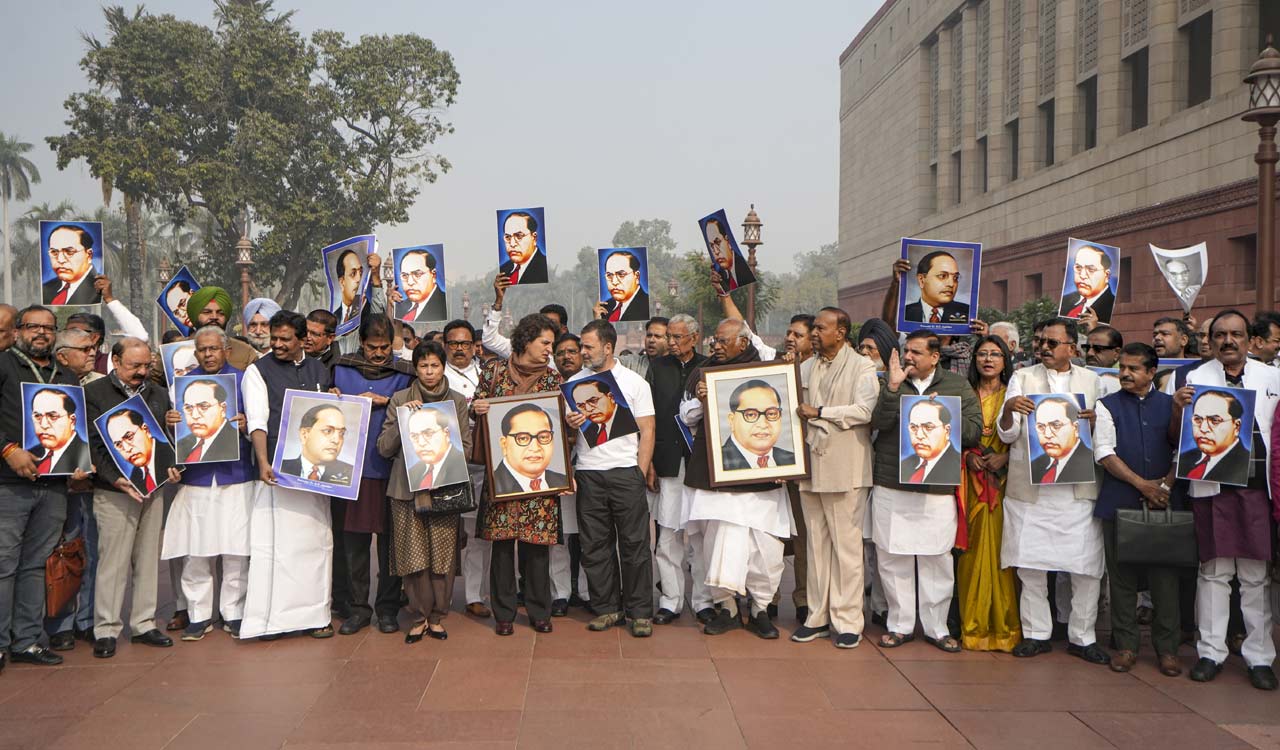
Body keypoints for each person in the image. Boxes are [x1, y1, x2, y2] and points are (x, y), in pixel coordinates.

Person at [1170, 310, 1280, 689]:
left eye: (1236, 334)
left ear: (1250, 340)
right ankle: (1210, 652)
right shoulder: (1192, 378)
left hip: (1256, 488)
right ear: (1210, 340)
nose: (1228, 341)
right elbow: (1175, 437)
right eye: (1220, 335)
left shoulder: (1273, 376)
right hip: (1212, 486)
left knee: (1254, 576)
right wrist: (1178, 407)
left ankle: (1259, 657)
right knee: (1214, 574)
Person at [998, 318, 1107, 664]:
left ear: (1072, 349)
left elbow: (1105, 432)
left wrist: (1093, 423)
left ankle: (1083, 635)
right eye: (1040, 341)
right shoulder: (1023, 377)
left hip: (1077, 489)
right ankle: (1036, 633)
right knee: (1030, 565)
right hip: (1032, 490)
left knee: (1085, 565)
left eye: (1052, 343)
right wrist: (1008, 410)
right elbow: (1007, 435)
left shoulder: (1093, 381)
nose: (1043, 348)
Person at [680, 319, 792, 639]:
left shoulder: (767, 368)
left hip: (762, 480)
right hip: (720, 476)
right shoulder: (702, 374)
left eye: (722, 340)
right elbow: (687, 416)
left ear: (742, 344)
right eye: (714, 340)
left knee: (766, 549)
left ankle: (759, 609)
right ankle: (727, 609)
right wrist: (703, 397)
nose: (714, 345)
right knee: (719, 544)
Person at [870, 330, 980, 652]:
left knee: (937, 557)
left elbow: (974, 432)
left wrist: (945, 413)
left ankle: (936, 627)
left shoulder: (957, 386)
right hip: (893, 482)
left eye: (916, 352)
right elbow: (878, 423)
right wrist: (892, 389)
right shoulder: (888, 381)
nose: (908, 357)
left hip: (937, 486)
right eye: (907, 351)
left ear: (935, 357)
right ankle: (900, 624)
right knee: (893, 556)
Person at [240, 310, 336, 640]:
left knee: (317, 543)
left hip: (314, 474)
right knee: (277, 547)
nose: (277, 345)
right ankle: (272, 621)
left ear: (301, 340)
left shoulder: (318, 368)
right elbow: (257, 420)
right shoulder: (257, 371)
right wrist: (263, 462)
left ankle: (317, 615)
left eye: (285, 339)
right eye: (274, 339)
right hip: (277, 472)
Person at [789, 307, 878, 649]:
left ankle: (848, 621)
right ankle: (817, 617)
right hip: (811, 467)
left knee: (847, 548)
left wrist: (822, 412)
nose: (814, 333)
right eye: (813, 328)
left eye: (821, 328)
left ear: (840, 332)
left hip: (847, 467)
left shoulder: (862, 366)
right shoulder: (805, 367)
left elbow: (864, 411)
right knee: (816, 545)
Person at [1092, 342, 1182, 676]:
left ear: (1151, 372)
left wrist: (1166, 487)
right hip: (1121, 502)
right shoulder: (1107, 405)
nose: (1125, 374)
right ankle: (1127, 646)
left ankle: (1168, 651)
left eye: (1133, 369)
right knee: (1122, 580)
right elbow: (1104, 452)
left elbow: (1183, 450)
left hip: (1165, 504)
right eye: (1122, 368)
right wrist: (1143, 485)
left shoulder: (1172, 406)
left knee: (1165, 581)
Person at [160, 326, 255, 641]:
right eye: (202, 349)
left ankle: (234, 612)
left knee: (237, 549)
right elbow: (171, 437)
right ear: (195, 352)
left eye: (214, 348)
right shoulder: (180, 386)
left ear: (226, 349)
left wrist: (246, 424)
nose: (208, 354)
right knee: (196, 549)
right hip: (196, 477)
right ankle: (199, 615)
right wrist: (169, 422)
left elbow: (261, 425)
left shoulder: (244, 380)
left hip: (236, 473)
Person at [472, 314, 564, 635]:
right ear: (526, 340)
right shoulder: (493, 371)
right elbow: (475, 406)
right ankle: (504, 614)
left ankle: (540, 611)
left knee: (537, 547)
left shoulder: (554, 380)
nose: (549, 350)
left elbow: (559, 425)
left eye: (551, 344)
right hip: (503, 476)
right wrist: (479, 407)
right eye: (545, 343)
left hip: (539, 476)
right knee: (501, 547)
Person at [84, 337, 175, 658]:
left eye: (146, 365)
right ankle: (106, 629)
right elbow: (92, 444)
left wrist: (171, 467)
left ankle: (144, 623)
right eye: (134, 366)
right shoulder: (94, 394)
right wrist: (115, 479)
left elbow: (164, 442)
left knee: (149, 557)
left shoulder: (159, 394)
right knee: (113, 561)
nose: (141, 372)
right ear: (116, 363)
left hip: (153, 488)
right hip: (114, 490)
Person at [0, 305, 80, 670]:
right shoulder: (4, 364)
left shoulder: (65, 374)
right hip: (9, 482)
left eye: (49, 327)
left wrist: (79, 463)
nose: (42, 333)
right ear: (18, 330)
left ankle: (27, 640)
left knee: (35, 564)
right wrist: (8, 449)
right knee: (4, 564)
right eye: (33, 326)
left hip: (54, 484)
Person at [565, 320, 657, 637]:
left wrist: (638, 472)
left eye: (588, 346)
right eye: (581, 346)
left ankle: (640, 612)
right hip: (589, 472)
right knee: (594, 546)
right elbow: (565, 433)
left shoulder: (634, 383)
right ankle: (607, 608)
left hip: (625, 473)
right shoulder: (574, 384)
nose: (583, 352)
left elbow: (648, 430)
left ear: (608, 347)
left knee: (634, 545)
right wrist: (571, 422)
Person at [378, 340, 471, 643]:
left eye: (435, 365)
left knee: (442, 557)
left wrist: (446, 459)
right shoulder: (401, 398)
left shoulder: (456, 401)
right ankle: (418, 616)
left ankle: (437, 616)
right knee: (412, 556)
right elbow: (384, 447)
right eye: (423, 366)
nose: (429, 372)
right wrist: (403, 420)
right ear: (415, 368)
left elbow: (466, 448)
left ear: (443, 367)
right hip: (406, 491)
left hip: (444, 488)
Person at [331, 315, 413, 635]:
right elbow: (324, 403)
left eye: (384, 347)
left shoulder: (403, 374)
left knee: (390, 546)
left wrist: (387, 401)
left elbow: (419, 404)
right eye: (372, 347)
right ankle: (358, 610)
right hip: (352, 470)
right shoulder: (342, 369)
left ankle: (388, 609)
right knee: (354, 546)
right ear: (361, 344)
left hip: (392, 471)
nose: (379, 354)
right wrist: (332, 394)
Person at [956, 335, 1021, 652]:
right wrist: (967, 456)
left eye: (995, 354)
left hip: (1005, 483)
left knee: (1002, 553)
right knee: (969, 551)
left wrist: (1005, 457)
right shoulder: (963, 394)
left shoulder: (1015, 396)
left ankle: (1005, 627)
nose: (988, 359)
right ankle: (971, 626)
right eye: (982, 354)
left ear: (1005, 360)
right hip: (969, 482)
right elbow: (950, 435)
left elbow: (1025, 439)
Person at [646, 313, 709, 624]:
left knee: (699, 536)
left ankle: (703, 600)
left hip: (701, 465)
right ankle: (671, 600)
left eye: (677, 337)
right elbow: (649, 419)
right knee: (668, 535)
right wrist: (650, 464)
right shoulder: (657, 368)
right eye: (668, 336)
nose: (670, 342)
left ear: (694, 339)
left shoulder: (710, 367)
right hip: (668, 463)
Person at [44, 327, 104, 651]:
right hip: (59, 487)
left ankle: (89, 621)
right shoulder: (47, 388)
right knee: (63, 555)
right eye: (84, 349)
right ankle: (60, 624)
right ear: (63, 355)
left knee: (94, 554)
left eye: (93, 347)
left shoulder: (100, 385)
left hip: (95, 484)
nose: (92, 352)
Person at [441, 320, 494, 619]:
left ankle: (475, 595)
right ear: (445, 346)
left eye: (464, 344)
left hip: (480, 463)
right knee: (445, 530)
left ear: (475, 346)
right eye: (453, 344)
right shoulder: (434, 374)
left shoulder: (487, 374)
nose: (459, 349)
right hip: (445, 463)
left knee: (476, 533)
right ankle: (441, 596)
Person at [550, 332, 587, 615]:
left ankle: (586, 592)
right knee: (560, 537)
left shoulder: (593, 384)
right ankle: (560, 593)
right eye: (560, 352)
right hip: (554, 468)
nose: (566, 357)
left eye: (572, 351)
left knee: (588, 535)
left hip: (588, 468)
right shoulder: (547, 386)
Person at [1176, 389, 1251, 483]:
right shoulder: (1183, 459)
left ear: (1236, 426)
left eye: (1215, 421)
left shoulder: (1246, 464)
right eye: (1198, 419)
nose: (1203, 429)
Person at [720, 380, 796, 469]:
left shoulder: (793, 461)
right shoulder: (718, 464)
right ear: (732, 420)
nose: (763, 424)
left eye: (771, 414)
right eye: (751, 415)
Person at [185, 286, 260, 371]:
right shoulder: (175, 351)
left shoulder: (245, 352)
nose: (214, 317)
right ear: (195, 315)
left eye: (220, 313)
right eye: (207, 312)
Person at [279, 404, 354, 484]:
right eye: (328, 431)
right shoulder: (280, 468)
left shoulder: (351, 474)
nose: (336, 440)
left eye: (341, 433)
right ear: (304, 435)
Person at [1029, 397, 1096, 484]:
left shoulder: (1091, 462)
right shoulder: (1034, 465)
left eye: (1056, 425)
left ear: (1075, 428)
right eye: (1041, 426)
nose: (1047, 434)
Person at [174, 378, 240, 463]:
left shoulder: (236, 441)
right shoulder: (180, 445)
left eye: (204, 407)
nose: (195, 415)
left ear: (223, 409)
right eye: (188, 408)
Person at [27, 387, 90, 475]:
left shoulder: (87, 455)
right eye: (37, 416)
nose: (44, 425)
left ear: (72, 421)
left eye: (53, 416)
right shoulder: (29, 454)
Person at [898, 399, 962, 484]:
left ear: (947, 431)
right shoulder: (904, 465)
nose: (919, 435)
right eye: (913, 427)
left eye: (928, 427)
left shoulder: (959, 467)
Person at [405, 407, 469, 489]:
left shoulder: (461, 465)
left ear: (446, 433)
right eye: (414, 436)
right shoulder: (412, 472)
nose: (421, 443)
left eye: (428, 434)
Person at [903, 251, 970, 325]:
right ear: (921, 280)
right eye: (942, 276)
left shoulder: (969, 313)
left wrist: (982, 335)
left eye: (955, 277)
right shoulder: (903, 314)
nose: (951, 284)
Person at [43, 224, 100, 305]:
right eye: (54, 252)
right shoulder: (45, 289)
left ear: (89, 255)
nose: (60, 260)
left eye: (69, 252)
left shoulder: (101, 290)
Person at [571, 378, 639, 445]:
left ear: (611, 397)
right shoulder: (588, 432)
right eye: (581, 405)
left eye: (593, 400)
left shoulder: (632, 419)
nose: (588, 409)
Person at [1059, 244, 1115, 322]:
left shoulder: (1112, 306)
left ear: (1106, 275)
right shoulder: (1065, 300)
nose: (1082, 275)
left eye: (1091, 270)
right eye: (1078, 268)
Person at [396, 249, 448, 322]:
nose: (410, 282)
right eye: (404, 275)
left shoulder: (444, 306)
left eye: (417, 274)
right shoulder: (398, 309)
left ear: (433, 275)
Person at [704, 216, 754, 290]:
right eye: (711, 246)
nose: (716, 252)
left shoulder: (745, 272)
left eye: (718, 242)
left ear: (728, 240)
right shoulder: (719, 276)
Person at [598, 250, 650, 322]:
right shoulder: (604, 308)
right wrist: (597, 320)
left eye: (621, 274)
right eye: (609, 275)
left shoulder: (647, 306)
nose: (614, 282)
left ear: (637, 276)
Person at [499, 211, 548, 285]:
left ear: (534, 238)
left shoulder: (546, 269)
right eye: (508, 237)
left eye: (519, 236)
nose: (512, 244)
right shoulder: (502, 271)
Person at [332, 248, 367, 326]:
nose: (358, 279)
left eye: (360, 273)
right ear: (342, 282)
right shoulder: (333, 318)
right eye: (353, 274)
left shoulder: (366, 309)